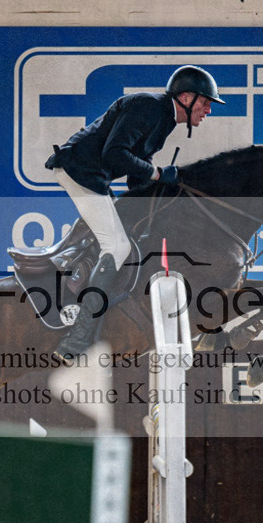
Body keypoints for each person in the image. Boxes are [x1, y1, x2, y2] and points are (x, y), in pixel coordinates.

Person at [45, 65, 225, 359]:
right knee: (116, 246)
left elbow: (134, 172)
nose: (208, 111)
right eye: (206, 103)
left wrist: (168, 186)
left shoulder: (164, 119)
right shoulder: (149, 107)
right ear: (186, 97)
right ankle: (78, 338)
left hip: (94, 175)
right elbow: (115, 153)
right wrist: (156, 174)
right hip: (80, 170)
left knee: (127, 235)